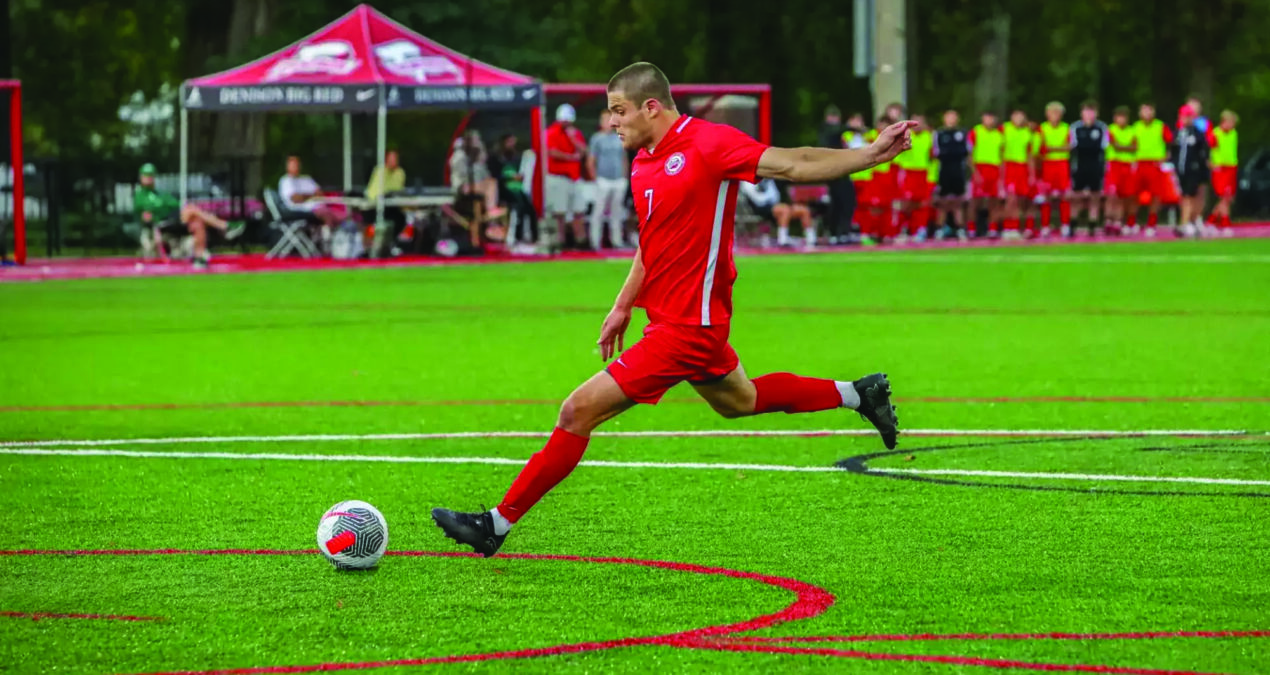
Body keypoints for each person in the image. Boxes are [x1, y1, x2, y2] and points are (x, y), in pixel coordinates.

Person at [431, 61, 906, 557]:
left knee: (576, 412)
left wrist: (870, 154)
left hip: (688, 328)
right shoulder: (643, 161)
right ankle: (858, 394)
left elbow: (793, 163)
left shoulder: (709, 143)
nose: (612, 122)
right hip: (675, 322)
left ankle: (495, 525)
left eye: (619, 111)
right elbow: (651, 244)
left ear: (651, 107)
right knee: (738, 401)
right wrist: (622, 306)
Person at [135, 163, 244, 268]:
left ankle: (199, 258)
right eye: (146, 175)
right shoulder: (140, 196)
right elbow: (145, 217)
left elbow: (176, 205)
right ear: (141, 177)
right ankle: (224, 226)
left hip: (174, 220)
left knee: (197, 221)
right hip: (161, 223)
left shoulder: (160, 194)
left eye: (151, 175)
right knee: (191, 209)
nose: (148, 178)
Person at [449, 130, 506, 248]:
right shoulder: (459, 156)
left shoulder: (477, 158)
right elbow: (462, 176)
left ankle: (491, 217)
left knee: (492, 182)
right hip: (462, 188)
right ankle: (491, 213)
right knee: (490, 184)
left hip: (476, 186)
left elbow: (483, 173)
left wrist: (480, 156)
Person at [545, 103, 589, 249]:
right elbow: (552, 152)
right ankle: (560, 241)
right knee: (559, 212)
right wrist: (571, 157)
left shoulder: (575, 133)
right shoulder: (551, 132)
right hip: (558, 177)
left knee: (578, 210)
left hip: (574, 178)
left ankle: (580, 241)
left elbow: (583, 151)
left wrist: (573, 139)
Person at [279, 155, 342, 252]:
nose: (296, 167)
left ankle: (341, 243)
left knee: (342, 214)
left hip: (320, 207)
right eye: (293, 165)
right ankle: (327, 245)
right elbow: (295, 198)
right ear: (287, 167)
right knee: (327, 214)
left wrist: (306, 196)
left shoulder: (307, 179)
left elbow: (320, 194)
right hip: (300, 211)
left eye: (297, 164)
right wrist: (312, 195)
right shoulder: (286, 181)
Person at [588, 110, 630, 250]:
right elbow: (591, 160)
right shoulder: (596, 138)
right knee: (598, 212)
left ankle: (617, 241)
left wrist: (625, 178)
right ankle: (595, 241)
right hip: (603, 180)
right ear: (601, 123)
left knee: (617, 213)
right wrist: (595, 179)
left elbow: (624, 159)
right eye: (605, 120)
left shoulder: (620, 137)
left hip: (618, 180)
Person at [1132, 102, 1174, 237]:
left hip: (1155, 164)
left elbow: (1171, 141)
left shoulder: (1160, 126)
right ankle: (1132, 222)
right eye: (1144, 111)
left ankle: (1152, 223)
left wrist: (1166, 156)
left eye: (1149, 110)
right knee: (1134, 194)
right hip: (1139, 163)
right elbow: (1132, 144)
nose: (1147, 113)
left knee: (1156, 195)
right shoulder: (1135, 127)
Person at [1069, 100, 1110, 236]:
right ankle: (1073, 224)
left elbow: (1105, 148)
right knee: (1076, 196)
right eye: (1086, 111)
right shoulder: (1075, 128)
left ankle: (1092, 225)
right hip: (1080, 165)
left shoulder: (1102, 128)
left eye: (1091, 111)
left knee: (1095, 196)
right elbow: (1071, 147)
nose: (1088, 114)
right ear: (1081, 113)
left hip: (1095, 165)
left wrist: (1104, 166)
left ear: (1096, 113)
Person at [740, 177, 816, 249]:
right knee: (784, 210)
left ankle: (811, 240)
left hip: (776, 205)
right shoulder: (747, 181)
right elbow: (757, 199)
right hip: (760, 208)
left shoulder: (769, 179)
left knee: (803, 210)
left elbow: (775, 196)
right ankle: (783, 240)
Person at [894, 114, 935, 243]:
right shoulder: (905, 136)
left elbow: (932, 156)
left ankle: (920, 229)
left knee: (922, 203)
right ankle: (901, 229)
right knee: (906, 203)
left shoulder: (929, 136)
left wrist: (931, 176)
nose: (918, 126)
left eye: (920, 123)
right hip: (908, 172)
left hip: (923, 173)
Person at [1172, 104, 1211, 236]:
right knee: (1184, 196)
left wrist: (1203, 167)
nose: (1186, 119)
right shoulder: (1178, 133)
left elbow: (1204, 151)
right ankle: (1188, 221)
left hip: (1194, 169)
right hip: (1181, 170)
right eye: (1183, 116)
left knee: (1190, 196)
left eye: (1188, 116)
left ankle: (1187, 222)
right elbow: (1174, 151)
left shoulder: (1197, 133)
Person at [819, 105, 855, 244]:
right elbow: (836, 130)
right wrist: (853, 127)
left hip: (841, 171)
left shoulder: (839, 134)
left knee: (846, 202)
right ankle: (834, 232)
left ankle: (842, 232)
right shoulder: (826, 130)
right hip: (832, 171)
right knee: (836, 203)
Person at [493, 134, 537, 245]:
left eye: (513, 142)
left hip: (517, 188)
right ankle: (517, 237)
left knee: (531, 208)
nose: (512, 145)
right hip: (503, 189)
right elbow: (494, 176)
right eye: (509, 142)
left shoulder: (517, 158)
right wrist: (510, 177)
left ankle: (533, 237)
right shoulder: (496, 158)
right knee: (519, 206)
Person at [933, 109, 970, 240]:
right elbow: (936, 153)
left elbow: (966, 152)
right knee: (943, 202)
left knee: (958, 202)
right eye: (948, 117)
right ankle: (939, 229)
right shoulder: (939, 133)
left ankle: (960, 229)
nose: (951, 119)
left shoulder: (963, 133)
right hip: (944, 171)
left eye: (953, 117)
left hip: (958, 171)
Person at [1036, 102, 1071, 237]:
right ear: (1047, 114)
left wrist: (1052, 148)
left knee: (1065, 195)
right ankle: (1045, 226)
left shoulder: (1066, 128)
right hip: (1048, 164)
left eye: (1057, 113)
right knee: (1046, 196)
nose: (1054, 115)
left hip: (1062, 164)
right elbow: (1041, 149)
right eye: (1052, 112)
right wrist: (1057, 148)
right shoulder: (1042, 128)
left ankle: (1065, 225)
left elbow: (1068, 147)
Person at [1001, 109, 1035, 238]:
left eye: (1021, 116)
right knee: (1011, 199)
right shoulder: (1004, 129)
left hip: (1022, 168)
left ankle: (1015, 227)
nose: (1018, 119)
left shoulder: (1027, 133)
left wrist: (1031, 174)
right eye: (1016, 116)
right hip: (1010, 166)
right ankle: (1008, 227)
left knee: (1021, 200)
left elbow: (1029, 154)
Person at [968, 111, 1003, 237]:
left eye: (991, 118)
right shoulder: (976, 132)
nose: (989, 121)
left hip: (994, 169)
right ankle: (972, 229)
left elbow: (1002, 154)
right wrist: (975, 172)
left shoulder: (999, 134)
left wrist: (1001, 175)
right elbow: (970, 154)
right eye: (987, 118)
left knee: (993, 201)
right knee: (975, 201)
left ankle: (992, 228)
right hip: (980, 168)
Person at [1104, 106, 1138, 234]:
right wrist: (1126, 147)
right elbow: (1115, 145)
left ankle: (1118, 221)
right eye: (1119, 117)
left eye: (1123, 117)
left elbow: (1134, 147)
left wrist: (1123, 147)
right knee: (1111, 194)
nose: (1121, 120)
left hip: (1127, 164)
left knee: (1123, 195)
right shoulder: (1110, 129)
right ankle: (1108, 220)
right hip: (1114, 164)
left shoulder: (1132, 131)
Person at [365, 149, 406, 252]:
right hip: (373, 206)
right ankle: (373, 246)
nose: (394, 161)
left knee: (401, 218)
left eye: (396, 158)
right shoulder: (380, 170)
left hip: (390, 206)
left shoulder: (400, 172)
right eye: (392, 158)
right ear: (386, 159)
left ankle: (392, 243)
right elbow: (379, 192)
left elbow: (398, 190)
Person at [1206, 110, 1238, 236]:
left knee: (1227, 198)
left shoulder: (1234, 133)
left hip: (1231, 167)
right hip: (1220, 169)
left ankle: (1211, 221)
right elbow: (1208, 148)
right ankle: (1225, 224)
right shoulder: (1215, 134)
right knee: (1224, 196)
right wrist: (1210, 162)